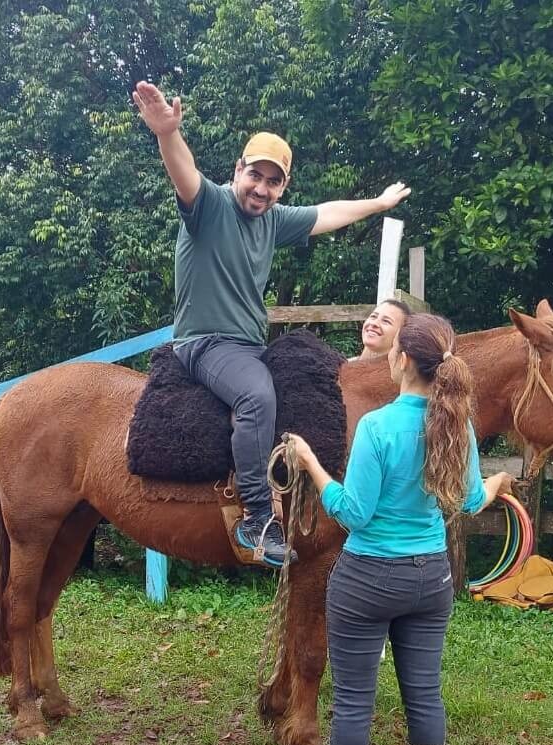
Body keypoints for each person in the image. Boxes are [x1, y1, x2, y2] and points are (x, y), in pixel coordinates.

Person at [132, 80, 412, 567]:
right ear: (238, 170)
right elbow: (185, 175)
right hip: (205, 343)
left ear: (283, 186)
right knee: (256, 396)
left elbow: (327, 213)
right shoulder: (212, 205)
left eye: (273, 181)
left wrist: (379, 205)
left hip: (246, 347)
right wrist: (166, 135)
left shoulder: (273, 219)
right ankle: (257, 521)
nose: (261, 188)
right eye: (254, 176)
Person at [287, 312, 513, 745]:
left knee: (355, 702)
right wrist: (497, 482)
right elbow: (464, 502)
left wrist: (312, 464)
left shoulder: (378, 427)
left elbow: (354, 513)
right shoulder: (456, 425)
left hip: (367, 580)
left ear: (403, 360)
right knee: (425, 698)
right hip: (431, 579)